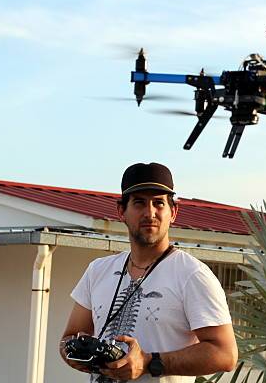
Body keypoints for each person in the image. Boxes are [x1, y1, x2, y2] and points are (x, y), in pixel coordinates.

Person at [60, 162, 238, 382]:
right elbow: (70, 337)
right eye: (139, 203)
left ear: (173, 212)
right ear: (121, 212)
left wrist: (148, 362)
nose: (150, 212)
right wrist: (78, 352)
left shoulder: (192, 275)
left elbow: (225, 355)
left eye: (159, 203)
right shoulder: (98, 270)